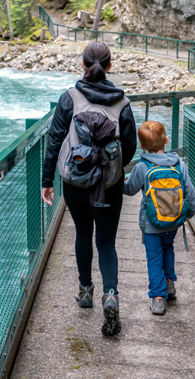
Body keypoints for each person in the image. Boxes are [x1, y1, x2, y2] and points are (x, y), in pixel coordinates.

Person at [41, 42, 137, 337]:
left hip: (76, 181)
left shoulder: (69, 98)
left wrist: (47, 180)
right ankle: (111, 294)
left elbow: (54, 140)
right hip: (108, 185)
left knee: (83, 233)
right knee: (106, 242)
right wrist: (112, 170)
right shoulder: (122, 103)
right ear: (110, 66)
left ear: (82, 65)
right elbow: (130, 147)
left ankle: (85, 291)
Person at [124, 120, 195, 315]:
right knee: (168, 248)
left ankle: (158, 297)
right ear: (166, 140)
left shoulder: (142, 166)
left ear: (141, 146)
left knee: (154, 258)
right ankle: (169, 283)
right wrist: (189, 213)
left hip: (151, 224)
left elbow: (130, 190)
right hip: (174, 221)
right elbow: (190, 194)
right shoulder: (179, 164)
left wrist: (116, 183)